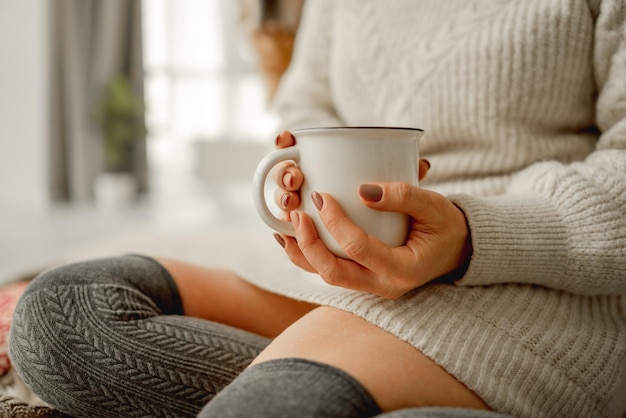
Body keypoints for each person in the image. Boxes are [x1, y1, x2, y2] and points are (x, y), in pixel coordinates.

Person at [9, 1, 626, 417]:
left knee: (271, 405)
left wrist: (469, 235)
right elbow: (305, 106)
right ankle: (381, 390)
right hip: (343, 267)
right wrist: (307, 178)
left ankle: (339, 381)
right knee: (61, 315)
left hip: (530, 278)